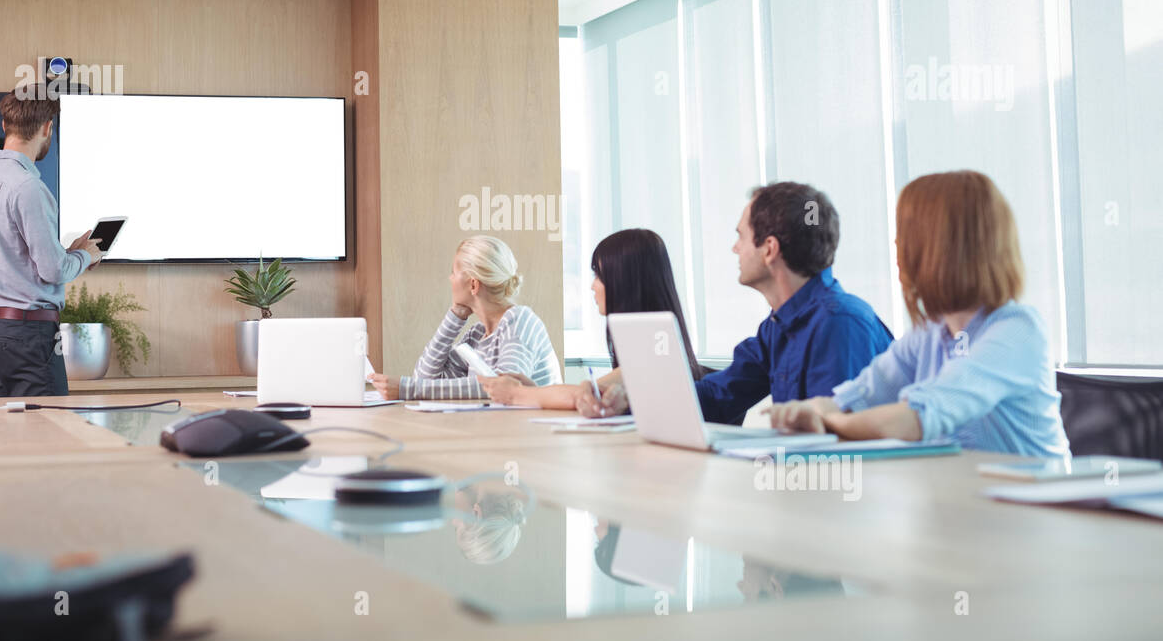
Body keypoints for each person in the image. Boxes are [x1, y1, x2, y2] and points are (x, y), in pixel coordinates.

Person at [767, 171, 1070, 459]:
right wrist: (812, 411)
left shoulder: (1017, 331)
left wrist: (829, 420)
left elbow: (915, 420)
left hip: (1044, 509)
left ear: (945, 248)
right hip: (966, 501)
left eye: (908, 235)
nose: (898, 247)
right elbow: (852, 400)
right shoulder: (929, 334)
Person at [578, 182, 892, 422]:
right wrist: (630, 398)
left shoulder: (840, 325)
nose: (734, 249)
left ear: (769, 249)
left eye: (741, 237)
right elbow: (718, 394)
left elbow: (836, 444)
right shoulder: (778, 327)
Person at [0, 85, 102, 397]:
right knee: (50, 433)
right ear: (46, 127)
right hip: (29, 334)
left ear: (5, 125)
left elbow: (15, 257)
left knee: (4, 436)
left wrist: (70, 252)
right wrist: (86, 257)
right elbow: (53, 271)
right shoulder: (29, 187)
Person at [480, 228, 709, 409]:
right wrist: (533, 390)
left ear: (624, 281)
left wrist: (518, 393)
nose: (592, 285)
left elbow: (587, 394)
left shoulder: (655, 342)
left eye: (599, 275)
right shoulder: (649, 338)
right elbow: (593, 391)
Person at [369, 235, 561, 400]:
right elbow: (425, 378)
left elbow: (503, 387)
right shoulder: (477, 335)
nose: (450, 278)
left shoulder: (520, 321)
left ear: (473, 285)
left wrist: (407, 389)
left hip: (533, 436)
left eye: (454, 272)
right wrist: (455, 317)